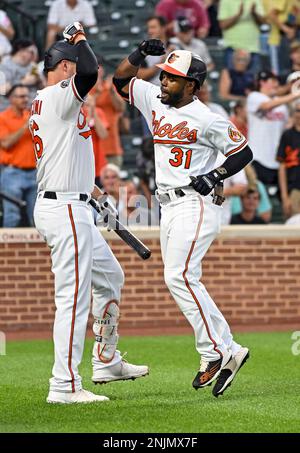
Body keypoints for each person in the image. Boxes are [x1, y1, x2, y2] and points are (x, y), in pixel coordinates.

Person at [113, 42, 253, 397]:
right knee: (182, 278)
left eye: (173, 79)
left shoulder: (207, 117)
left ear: (192, 85)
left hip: (196, 203)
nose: (163, 82)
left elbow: (243, 151)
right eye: (163, 75)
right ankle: (227, 349)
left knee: (180, 276)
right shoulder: (154, 100)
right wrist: (139, 53)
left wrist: (216, 174)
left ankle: (217, 352)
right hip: (168, 207)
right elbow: (119, 80)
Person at [31, 23, 148, 405]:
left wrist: (94, 191)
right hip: (63, 207)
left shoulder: (54, 102)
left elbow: (65, 153)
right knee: (73, 297)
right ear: (63, 67)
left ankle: (105, 358)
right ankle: (63, 385)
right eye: (72, 62)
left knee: (111, 276)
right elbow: (89, 71)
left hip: (73, 199)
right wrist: (79, 38)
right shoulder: (57, 95)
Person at [247, 70, 298, 186]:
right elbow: (266, 105)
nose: (276, 84)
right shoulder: (254, 97)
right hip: (258, 158)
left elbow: (289, 126)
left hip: (277, 160)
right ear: (262, 82)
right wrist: (295, 94)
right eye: (273, 81)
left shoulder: (282, 105)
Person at [0, 84, 36, 227]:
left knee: (36, 216)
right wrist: (25, 125)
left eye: (27, 96)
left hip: (34, 172)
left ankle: (40, 250)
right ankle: (6, 249)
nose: (25, 99)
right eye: (21, 96)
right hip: (12, 172)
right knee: (12, 216)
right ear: (11, 99)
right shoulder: (3, 118)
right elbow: (6, 143)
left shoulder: (32, 115)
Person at [218, 0, 265, 73]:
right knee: (230, 80)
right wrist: (238, 15)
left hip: (253, 49)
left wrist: (254, 13)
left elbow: (263, 22)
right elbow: (222, 25)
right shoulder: (225, 1)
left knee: (254, 81)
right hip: (232, 48)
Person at [0, 39, 41, 111]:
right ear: (21, 50)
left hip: (34, 108)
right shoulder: (5, 66)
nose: (34, 55)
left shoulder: (32, 66)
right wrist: (23, 82)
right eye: (31, 52)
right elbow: (2, 89)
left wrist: (39, 79)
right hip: (12, 110)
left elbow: (44, 87)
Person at [277, 103, 300, 219]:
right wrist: (285, 197)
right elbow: (282, 168)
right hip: (294, 189)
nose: (299, 114)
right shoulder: (287, 135)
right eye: (297, 111)